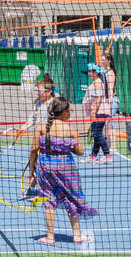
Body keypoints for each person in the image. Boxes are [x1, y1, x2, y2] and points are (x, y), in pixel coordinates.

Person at [26, 96, 97, 246]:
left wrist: (32, 169)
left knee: (49, 201)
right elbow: (80, 152)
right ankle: (76, 235)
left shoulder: (41, 127)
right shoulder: (71, 130)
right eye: (70, 110)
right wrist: (70, 146)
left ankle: (50, 237)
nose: (71, 112)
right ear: (64, 112)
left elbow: (33, 150)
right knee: (71, 199)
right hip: (67, 169)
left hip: (45, 169)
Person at [82, 64, 111, 163]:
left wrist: (93, 113)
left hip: (100, 112)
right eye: (89, 72)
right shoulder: (95, 82)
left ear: (96, 73)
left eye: (91, 72)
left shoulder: (98, 82)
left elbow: (98, 98)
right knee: (96, 134)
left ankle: (107, 155)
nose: (89, 74)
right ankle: (93, 156)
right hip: (97, 111)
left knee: (97, 134)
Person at [99, 51, 119, 148]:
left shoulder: (110, 73)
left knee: (109, 124)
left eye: (103, 60)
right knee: (105, 124)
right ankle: (108, 146)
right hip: (106, 100)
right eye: (101, 60)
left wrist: (109, 103)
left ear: (108, 61)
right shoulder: (104, 72)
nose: (101, 61)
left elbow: (110, 89)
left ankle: (113, 147)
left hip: (111, 100)